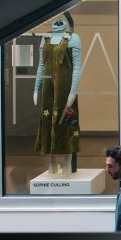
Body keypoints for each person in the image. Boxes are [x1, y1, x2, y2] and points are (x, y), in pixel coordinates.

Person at [33, 17, 82, 175]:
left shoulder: (73, 38)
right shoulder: (45, 38)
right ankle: (51, 162)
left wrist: (73, 91)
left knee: (65, 121)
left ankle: (67, 162)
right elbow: (41, 64)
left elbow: (76, 67)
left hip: (65, 88)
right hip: (48, 89)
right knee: (48, 121)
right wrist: (36, 88)